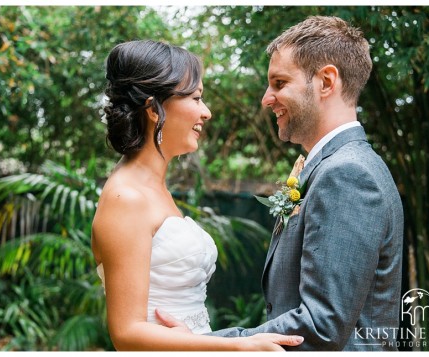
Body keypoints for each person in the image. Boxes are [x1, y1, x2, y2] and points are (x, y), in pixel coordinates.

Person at [156, 16, 404, 351]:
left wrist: (206, 343)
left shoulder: (348, 175)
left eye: (279, 83)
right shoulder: (332, 166)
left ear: (327, 82)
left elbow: (322, 324)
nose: (266, 98)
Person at [90, 39, 303, 351]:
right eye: (196, 98)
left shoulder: (154, 188)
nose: (207, 112)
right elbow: (127, 331)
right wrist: (240, 347)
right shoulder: (127, 198)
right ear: (153, 108)